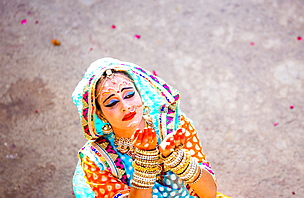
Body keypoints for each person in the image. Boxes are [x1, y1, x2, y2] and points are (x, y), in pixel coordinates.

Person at [72, 57, 230, 198]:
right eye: (112, 103)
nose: (126, 106)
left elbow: (209, 194)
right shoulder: (95, 158)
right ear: (100, 114)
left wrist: (177, 159)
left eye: (129, 95)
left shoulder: (175, 126)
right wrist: (145, 163)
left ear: (140, 94)